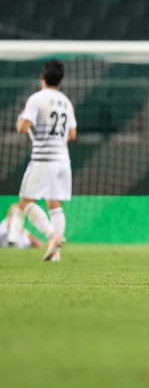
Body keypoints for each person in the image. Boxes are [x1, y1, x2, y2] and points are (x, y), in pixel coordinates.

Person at [15, 59, 76, 261]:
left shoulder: (36, 99)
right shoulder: (66, 101)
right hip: (63, 159)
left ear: (42, 77)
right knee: (55, 204)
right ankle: (55, 253)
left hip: (44, 158)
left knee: (24, 202)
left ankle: (53, 236)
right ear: (62, 80)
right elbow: (72, 134)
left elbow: (23, 129)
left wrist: (21, 119)